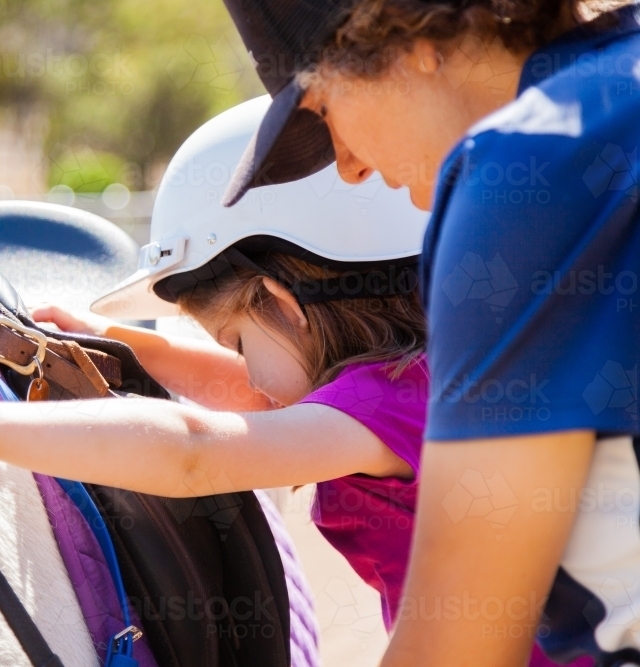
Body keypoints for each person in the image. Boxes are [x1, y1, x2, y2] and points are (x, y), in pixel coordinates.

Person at [0, 95, 437, 641]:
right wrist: (119, 340)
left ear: (284, 305)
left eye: (236, 342)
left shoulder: (385, 405)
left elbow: (194, 455)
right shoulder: (416, 382)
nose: (246, 372)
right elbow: (261, 396)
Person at [215, 0, 640, 664]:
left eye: (326, 110)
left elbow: (459, 644)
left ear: (404, 35)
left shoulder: (521, 173)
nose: (348, 166)